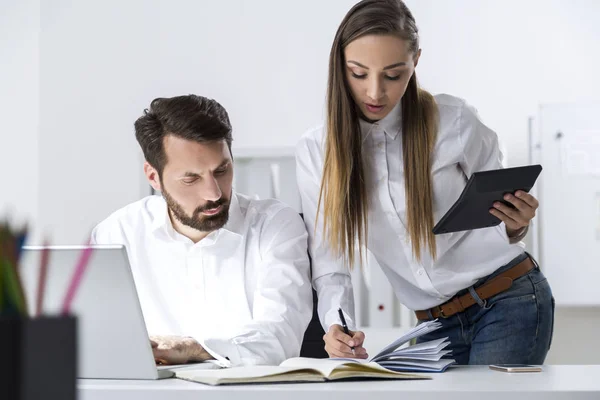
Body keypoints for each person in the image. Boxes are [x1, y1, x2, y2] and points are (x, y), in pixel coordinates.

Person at [295, 0, 554, 365]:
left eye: (393, 74)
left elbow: (498, 216)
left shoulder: (455, 121)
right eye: (358, 73)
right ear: (340, 65)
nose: (374, 92)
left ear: (415, 61)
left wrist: (516, 224)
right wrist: (337, 325)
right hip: (432, 327)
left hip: (508, 300)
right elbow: (329, 262)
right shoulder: (316, 152)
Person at [92, 94, 312, 367]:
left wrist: (194, 349)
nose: (214, 193)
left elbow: (279, 337)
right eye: (191, 178)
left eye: (221, 170)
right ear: (153, 177)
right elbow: (99, 339)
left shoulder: (276, 226)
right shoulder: (116, 235)